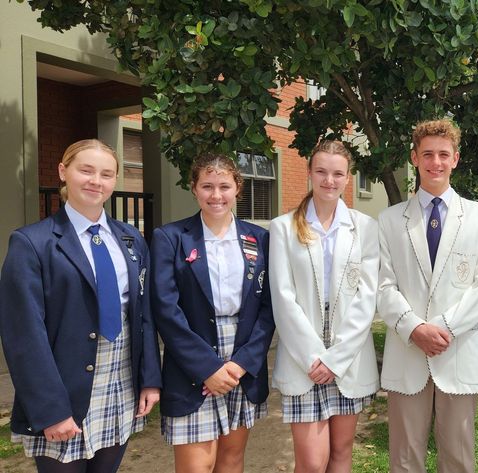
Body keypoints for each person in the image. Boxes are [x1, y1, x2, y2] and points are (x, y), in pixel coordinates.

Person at [0, 139, 161, 472]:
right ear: (63, 172)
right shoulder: (32, 243)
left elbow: (143, 316)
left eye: (106, 174)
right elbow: (23, 335)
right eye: (85, 170)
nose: (95, 181)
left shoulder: (131, 239)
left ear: (115, 181)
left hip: (120, 384)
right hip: (64, 392)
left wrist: (149, 379)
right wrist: (50, 409)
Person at [378, 118, 478, 473]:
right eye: (428, 154)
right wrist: (414, 328)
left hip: (457, 350)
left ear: (456, 159)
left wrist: (444, 327)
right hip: (407, 352)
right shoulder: (389, 221)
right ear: (414, 158)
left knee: (459, 458)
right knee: (404, 458)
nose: (436, 162)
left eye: (443, 154)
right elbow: (383, 285)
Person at [151, 153, 275, 473]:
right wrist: (207, 367)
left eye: (224, 186)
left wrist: (241, 364)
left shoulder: (259, 238)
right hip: (192, 359)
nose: (216, 195)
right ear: (194, 189)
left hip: (242, 361)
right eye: (207, 186)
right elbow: (166, 309)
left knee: (231, 460)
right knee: (196, 466)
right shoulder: (171, 238)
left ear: (238, 188)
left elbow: (268, 309)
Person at [269, 140, 379, 473]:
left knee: (342, 453)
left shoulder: (365, 228)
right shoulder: (284, 228)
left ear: (348, 177)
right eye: (321, 172)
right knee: (312, 463)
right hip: (305, 362)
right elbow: (282, 297)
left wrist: (336, 359)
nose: (329, 180)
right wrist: (315, 358)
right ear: (309, 172)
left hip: (348, 360)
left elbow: (367, 296)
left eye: (337, 173)